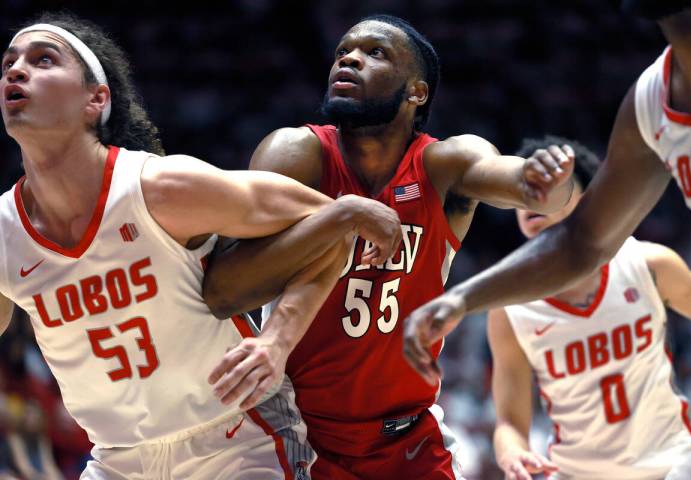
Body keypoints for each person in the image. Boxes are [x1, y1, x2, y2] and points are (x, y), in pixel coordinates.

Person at [0, 12, 402, 479]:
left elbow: (332, 222)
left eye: (43, 59)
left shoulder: (161, 188)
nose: (15, 70)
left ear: (96, 99)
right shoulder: (5, 233)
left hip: (235, 438)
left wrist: (277, 340)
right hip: (117, 458)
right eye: (8, 62)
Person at [203, 14, 575, 479]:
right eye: (343, 51)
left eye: (375, 53)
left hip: (408, 441)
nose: (350, 59)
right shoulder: (296, 153)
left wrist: (544, 181)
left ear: (416, 92)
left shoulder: (444, 164)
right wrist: (338, 218)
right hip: (296, 434)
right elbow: (222, 290)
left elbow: (517, 182)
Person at [401, 2, 691, 478]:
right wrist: (461, 300)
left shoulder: (649, 263)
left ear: (588, 197)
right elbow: (578, 246)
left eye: (550, 195)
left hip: (664, 455)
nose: (535, 209)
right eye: (526, 201)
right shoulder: (651, 102)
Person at [487, 136, 691, 480]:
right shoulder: (509, 308)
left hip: (673, 464)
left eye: (548, 185)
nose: (531, 200)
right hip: (575, 472)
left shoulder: (649, 263)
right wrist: (514, 454)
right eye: (524, 191)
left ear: (587, 200)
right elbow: (510, 422)